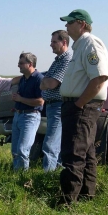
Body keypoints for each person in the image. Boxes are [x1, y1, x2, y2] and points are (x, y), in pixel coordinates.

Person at [58, 9, 108, 205]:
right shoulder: (79, 46)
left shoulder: (90, 43)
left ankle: (67, 202)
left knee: (73, 153)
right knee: (86, 153)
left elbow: (99, 78)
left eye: (69, 23)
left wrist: (79, 104)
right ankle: (86, 198)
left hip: (82, 106)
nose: (66, 26)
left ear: (81, 24)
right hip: (79, 105)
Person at [39, 30, 72, 172]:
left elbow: (51, 83)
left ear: (64, 42)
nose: (50, 44)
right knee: (56, 144)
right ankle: (56, 176)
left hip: (58, 105)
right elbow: (43, 83)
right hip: (53, 106)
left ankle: (47, 178)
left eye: (54, 42)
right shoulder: (58, 60)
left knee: (50, 144)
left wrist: (45, 82)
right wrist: (45, 81)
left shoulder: (67, 59)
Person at [11, 52, 44, 171]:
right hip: (18, 115)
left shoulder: (39, 79)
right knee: (15, 150)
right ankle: (16, 175)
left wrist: (20, 99)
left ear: (30, 64)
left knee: (22, 150)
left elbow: (40, 101)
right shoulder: (23, 79)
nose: (18, 65)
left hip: (30, 116)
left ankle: (22, 178)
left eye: (21, 63)